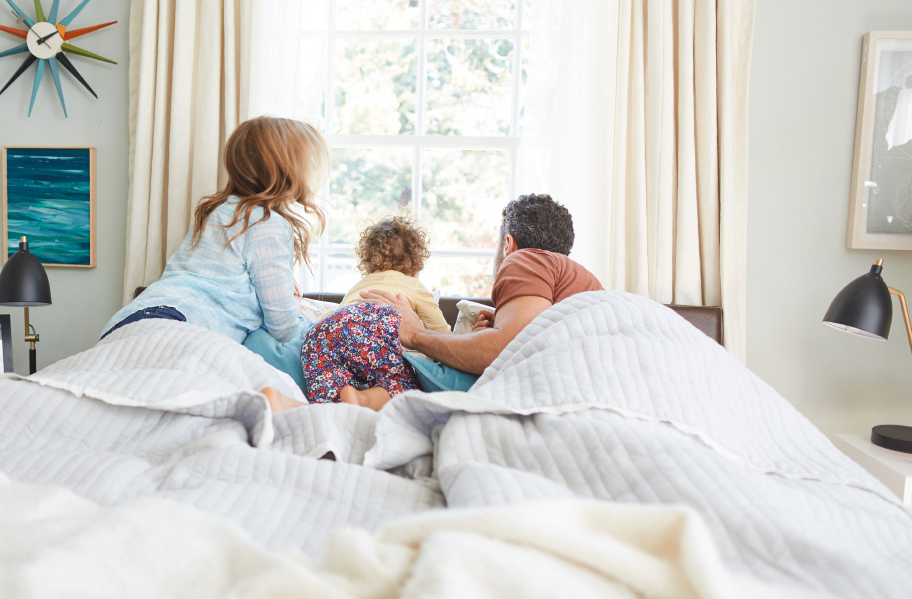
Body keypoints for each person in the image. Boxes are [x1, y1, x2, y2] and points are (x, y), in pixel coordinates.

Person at [99, 116, 328, 343]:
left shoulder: (218, 211)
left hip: (133, 316)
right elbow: (284, 328)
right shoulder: (266, 223)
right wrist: (303, 311)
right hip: (186, 326)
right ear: (287, 168)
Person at [360, 193, 602, 376]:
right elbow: (518, 347)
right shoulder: (569, 275)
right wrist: (482, 340)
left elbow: (502, 350)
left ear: (508, 245)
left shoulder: (525, 258)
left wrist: (415, 334)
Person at [265, 217, 449, 413]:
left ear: (368, 260)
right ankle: (362, 399)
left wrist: (294, 303)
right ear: (416, 265)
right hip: (371, 329)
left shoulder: (358, 288)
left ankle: (290, 405)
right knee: (405, 383)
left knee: (328, 391)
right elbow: (441, 334)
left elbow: (338, 321)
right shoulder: (414, 285)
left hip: (322, 333)